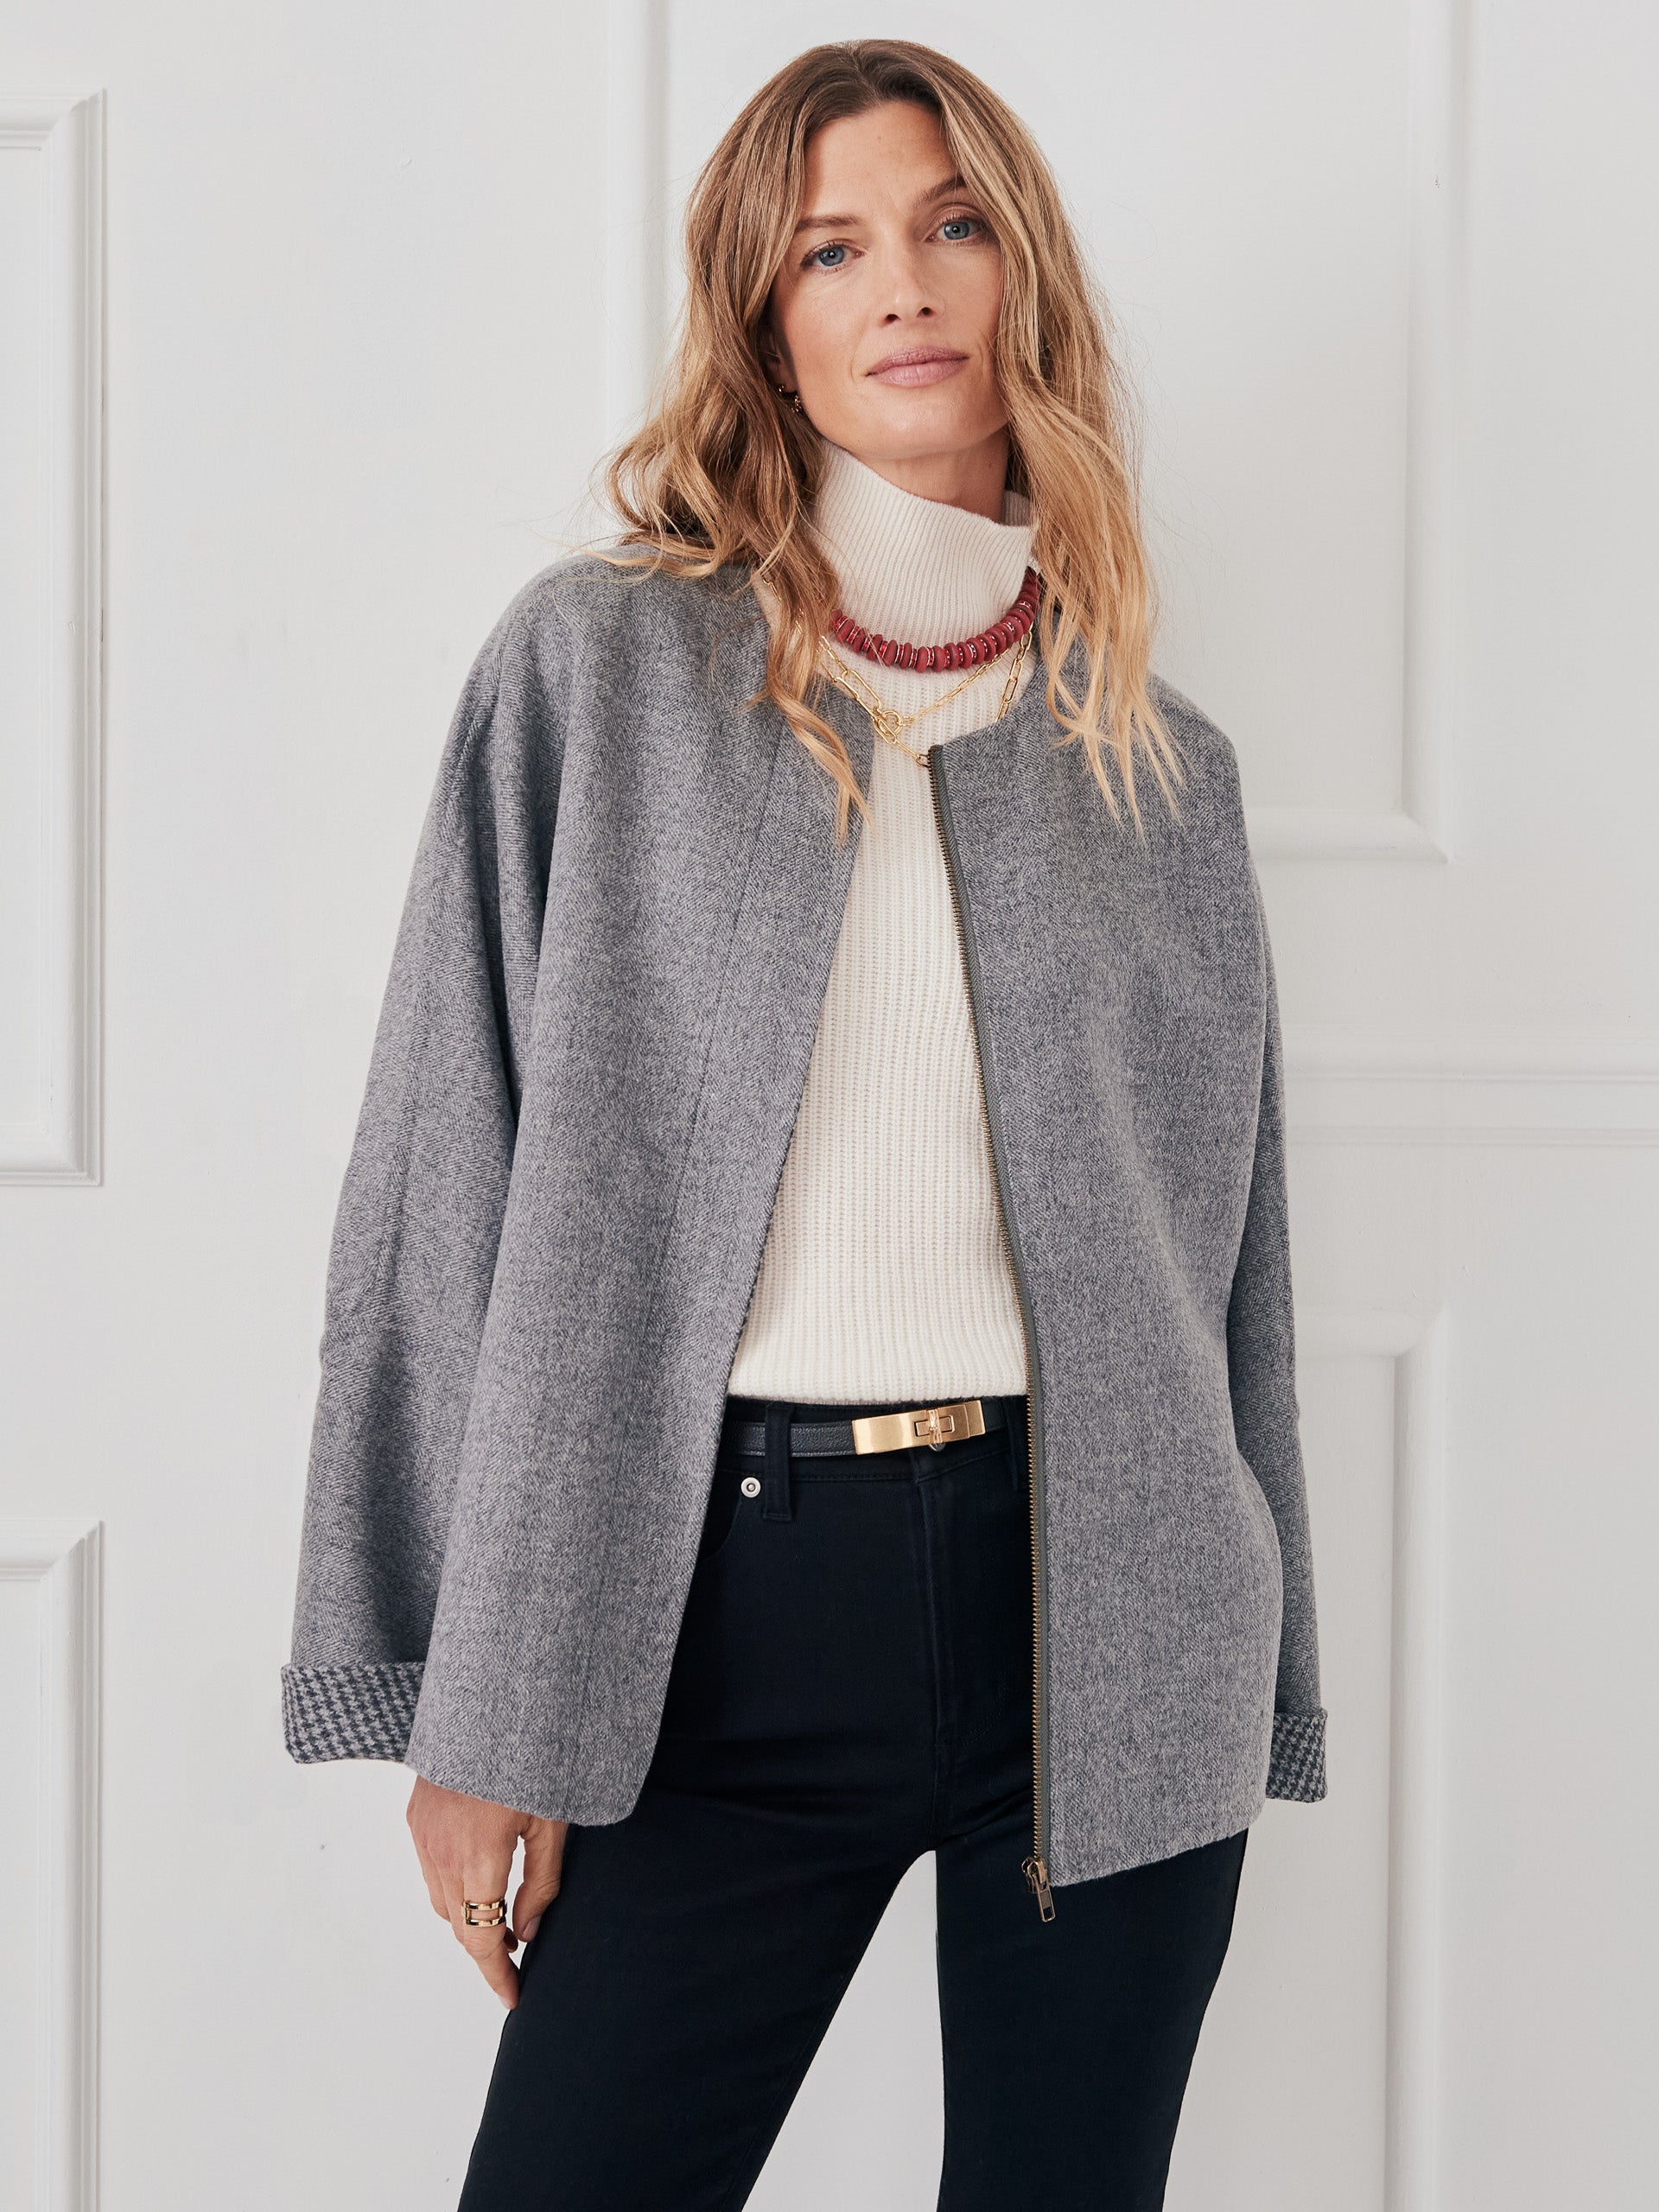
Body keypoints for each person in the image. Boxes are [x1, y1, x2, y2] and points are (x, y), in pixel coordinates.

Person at [281, 37, 1327, 2211]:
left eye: (951, 224)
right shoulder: (599, 673)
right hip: (714, 1621)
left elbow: (1235, 1283)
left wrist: (1268, 1672)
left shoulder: (1162, 764)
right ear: (766, 322)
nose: (903, 284)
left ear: (1024, 274)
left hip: (1112, 1618)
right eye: (830, 250)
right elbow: (440, 1185)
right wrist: (462, 1693)